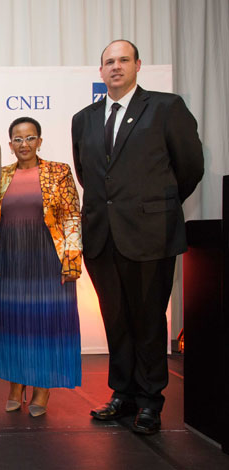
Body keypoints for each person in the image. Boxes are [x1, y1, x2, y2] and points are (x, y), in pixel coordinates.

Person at [72, 39, 204, 434]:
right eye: (109, 62)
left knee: (148, 322)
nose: (116, 67)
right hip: (102, 237)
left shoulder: (166, 107)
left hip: (150, 235)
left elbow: (190, 167)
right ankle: (123, 394)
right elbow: (87, 174)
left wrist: (155, 207)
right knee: (116, 320)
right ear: (100, 71)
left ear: (137, 65)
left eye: (123, 60)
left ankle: (150, 401)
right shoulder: (83, 118)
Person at [0, 117, 82, 417]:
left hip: (47, 257)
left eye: (30, 138)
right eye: (18, 139)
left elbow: (72, 216)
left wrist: (72, 261)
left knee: (46, 322)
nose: (24, 144)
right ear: (10, 144)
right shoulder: (0, 175)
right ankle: (15, 386)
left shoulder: (59, 171)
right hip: (7, 257)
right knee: (11, 322)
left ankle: (42, 388)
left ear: (39, 141)